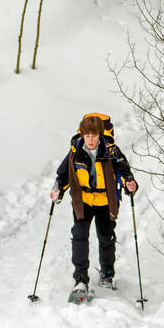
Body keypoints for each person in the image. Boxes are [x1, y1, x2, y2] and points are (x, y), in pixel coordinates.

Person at [50, 114, 138, 294]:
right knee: (79, 235)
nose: (90, 139)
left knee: (106, 237)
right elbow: (64, 175)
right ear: (82, 135)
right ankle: (80, 280)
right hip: (83, 201)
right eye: (87, 135)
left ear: (100, 134)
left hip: (106, 201)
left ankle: (107, 274)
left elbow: (124, 171)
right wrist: (58, 188)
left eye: (94, 135)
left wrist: (130, 183)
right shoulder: (75, 151)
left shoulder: (111, 151)